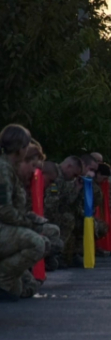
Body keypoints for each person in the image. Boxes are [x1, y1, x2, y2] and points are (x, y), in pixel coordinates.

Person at [0, 124, 46, 301]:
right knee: (37, 243)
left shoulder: (8, 168)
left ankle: (6, 281)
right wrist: (29, 223)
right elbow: (4, 209)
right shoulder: (3, 169)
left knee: (18, 290)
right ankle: (2, 279)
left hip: (6, 227)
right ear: (20, 148)